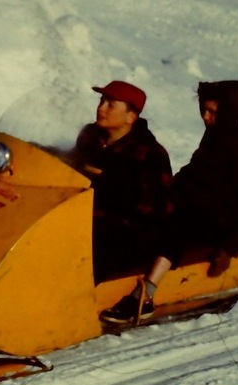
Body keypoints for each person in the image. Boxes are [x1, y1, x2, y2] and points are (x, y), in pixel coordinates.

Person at [100, 80, 238, 324]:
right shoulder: (214, 137)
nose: (205, 117)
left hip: (220, 225)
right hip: (194, 209)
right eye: (203, 110)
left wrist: (230, 248)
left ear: (229, 113)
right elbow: (194, 172)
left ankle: (145, 295)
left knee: (176, 225)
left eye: (212, 112)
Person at [71, 81, 173, 282]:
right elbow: (72, 163)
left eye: (111, 104)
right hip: (79, 217)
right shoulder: (90, 135)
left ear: (131, 117)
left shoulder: (150, 154)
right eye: (102, 101)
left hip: (123, 235)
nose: (101, 108)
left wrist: (109, 182)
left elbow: (153, 211)